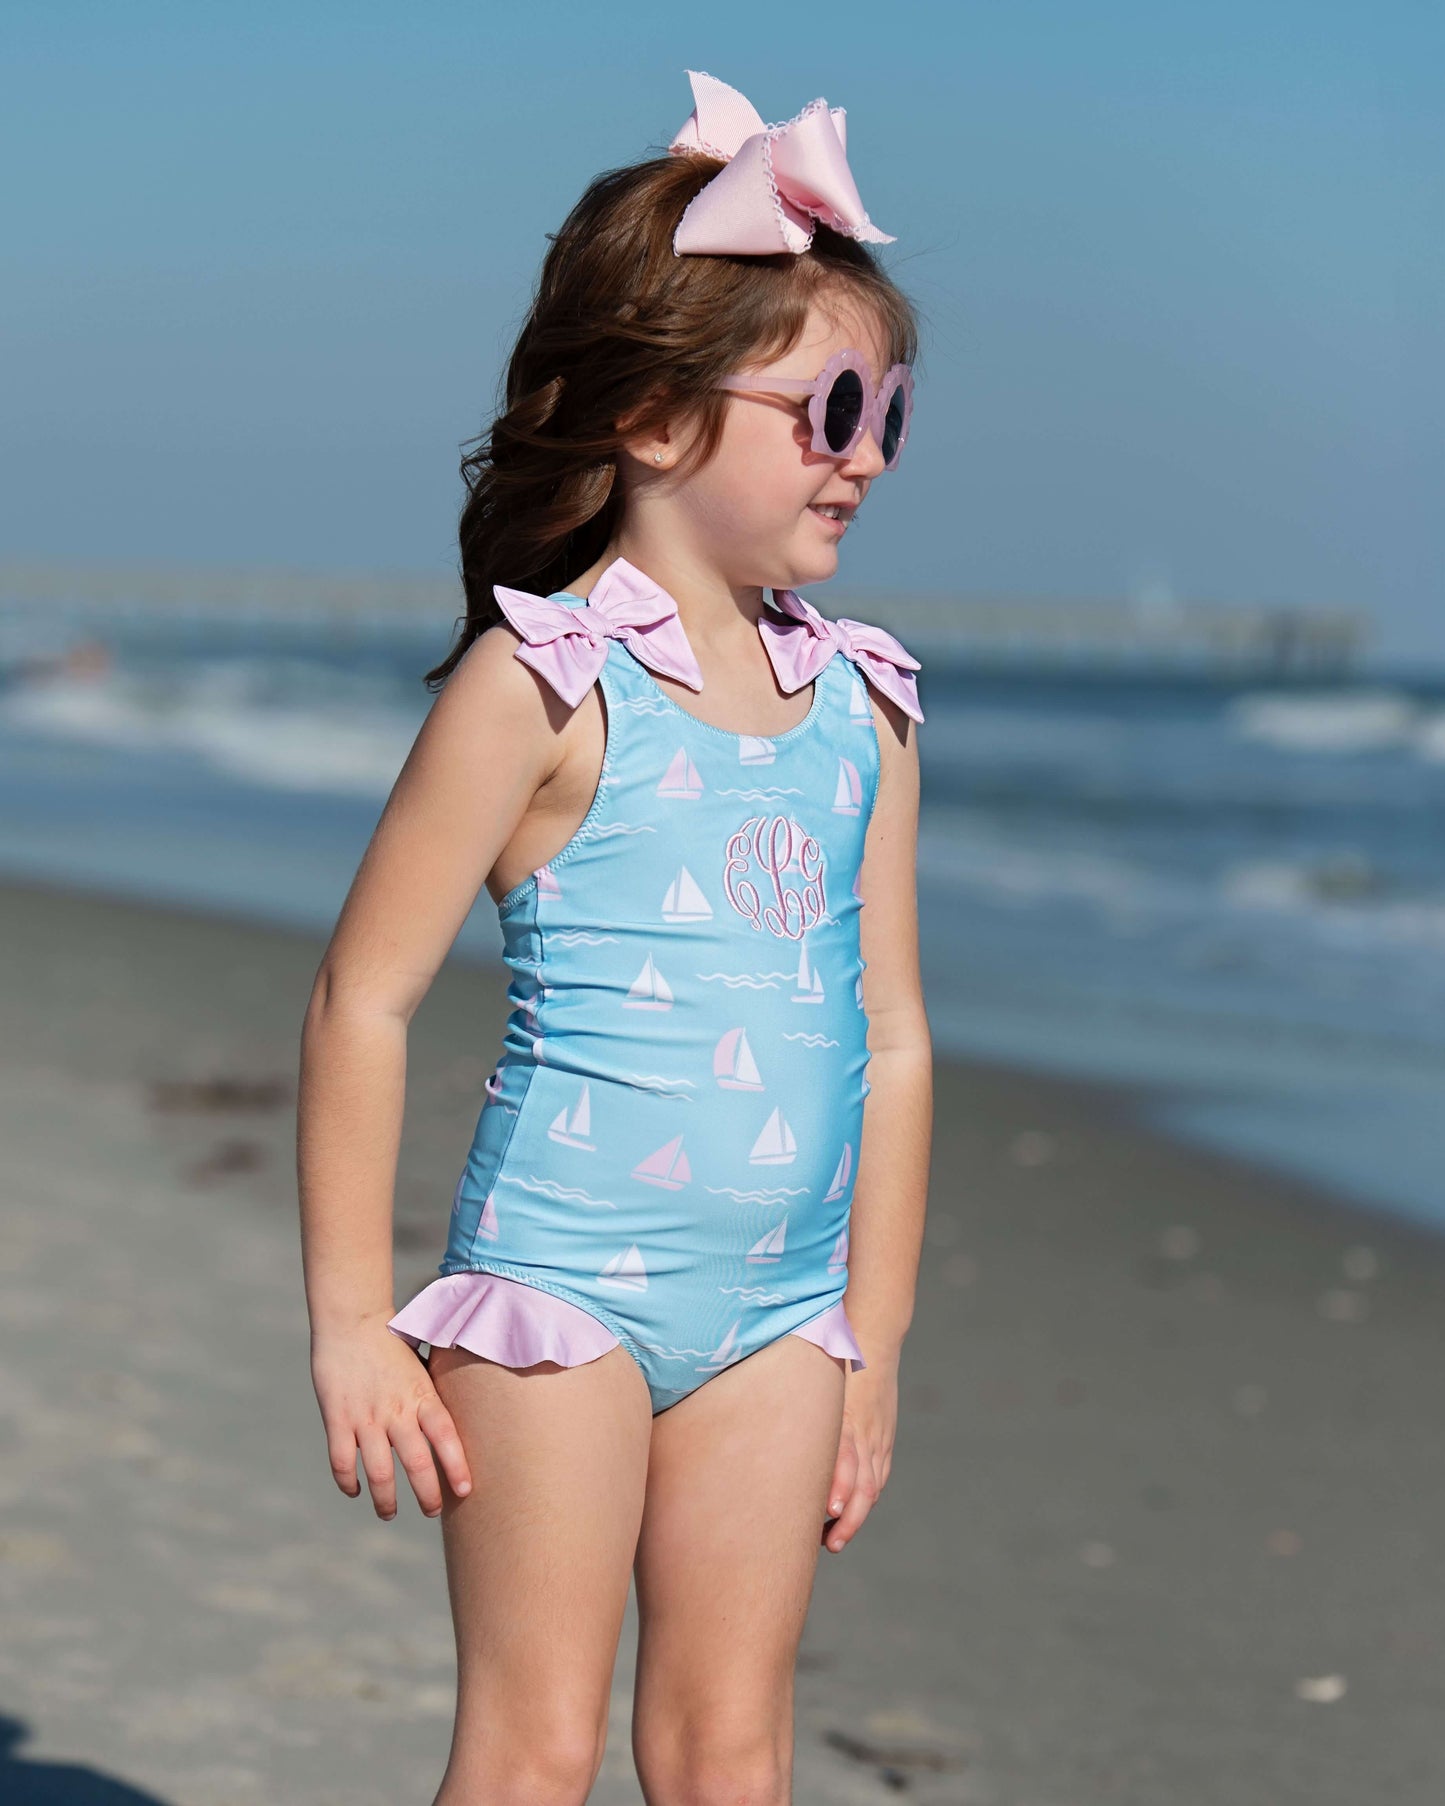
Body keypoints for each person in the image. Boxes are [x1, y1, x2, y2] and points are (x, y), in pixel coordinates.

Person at [297, 68, 934, 1806]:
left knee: (732, 1748)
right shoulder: (546, 686)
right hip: (558, 1304)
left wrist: (866, 1336)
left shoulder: (860, 710)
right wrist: (355, 1317)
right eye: (828, 407)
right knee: (528, 1751)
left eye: (890, 412)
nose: (865, 454)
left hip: (783, 1317)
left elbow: (891, 1036)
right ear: (657, 420)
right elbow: (365, 995)